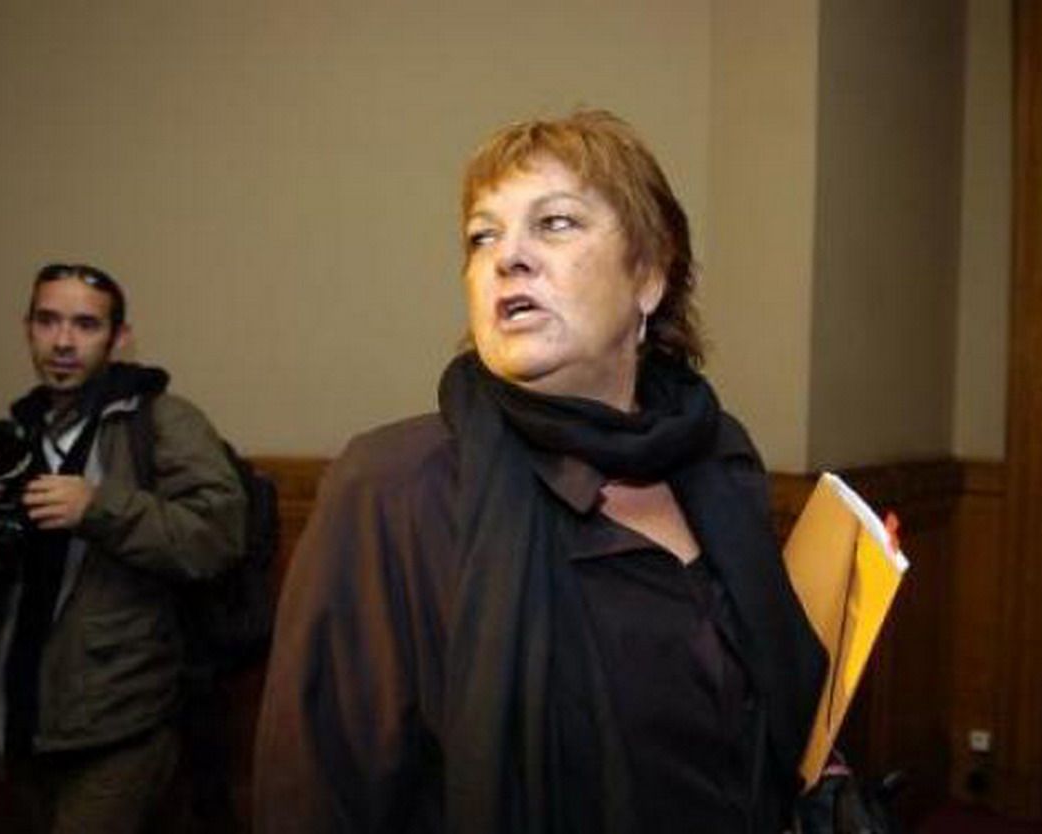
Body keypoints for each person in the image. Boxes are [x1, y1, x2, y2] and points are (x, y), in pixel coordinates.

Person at [254, 111, 826, 834]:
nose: (508, 258)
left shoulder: (721, 461)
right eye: (482, 236)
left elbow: (768, 714)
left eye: (554, 223)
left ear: (649, 276)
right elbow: (317, 796)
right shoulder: (392, 489)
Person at [0, 263, 247, 833]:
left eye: (85, 324)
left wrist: (97, 507)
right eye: (48, 321)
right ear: (27, 329)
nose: (63, 341)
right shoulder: (10, 438)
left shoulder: (162, 419)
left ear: (119, 338)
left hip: (123, 723)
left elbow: (217, 537)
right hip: (23, 719)